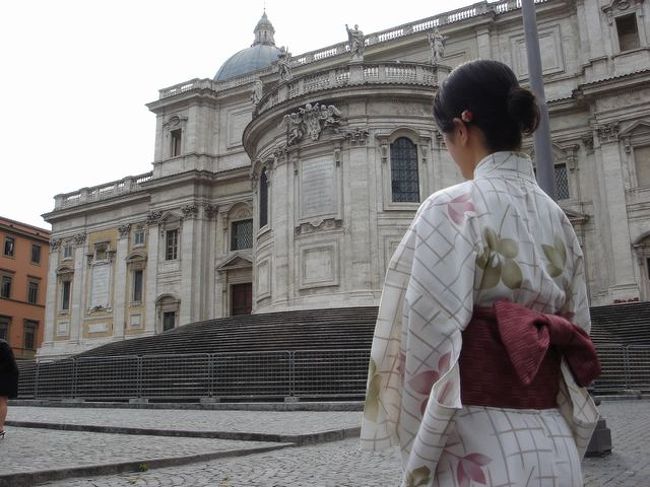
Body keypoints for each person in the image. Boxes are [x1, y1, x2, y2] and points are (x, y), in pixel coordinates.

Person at [360, 60, 600, 487]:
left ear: (462, 130)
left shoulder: (449, 209)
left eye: (445, 139)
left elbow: (424, 341)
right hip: (556, 446)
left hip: (477, 448)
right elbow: (578, 329)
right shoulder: (559, 218)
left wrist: (419, 449)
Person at [0, 339, 19, 439]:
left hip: (7, 375)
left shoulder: (3, 345)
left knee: (2, 400)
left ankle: (0, 428)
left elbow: (9, 362)